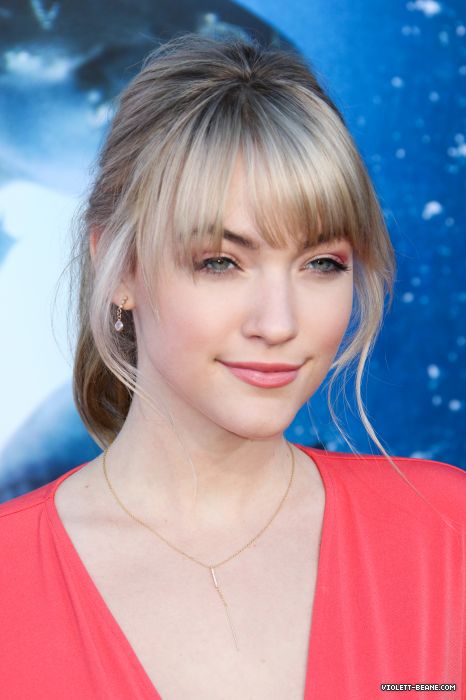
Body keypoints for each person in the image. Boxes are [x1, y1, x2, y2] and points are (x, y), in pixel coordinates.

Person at [0, 33, 464, 700]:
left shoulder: (447, 533)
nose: (278, 323)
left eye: (322, 263)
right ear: (119, 268)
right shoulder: (10, 581)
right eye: (221, 261)